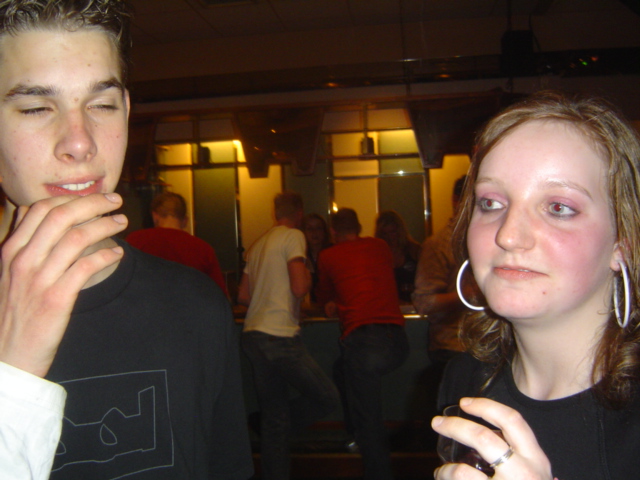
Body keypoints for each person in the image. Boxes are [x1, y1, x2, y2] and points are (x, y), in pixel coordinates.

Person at [0, 1, 253, 479]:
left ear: (128, 112)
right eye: (36, 107)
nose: (81, 142)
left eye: (101, 105)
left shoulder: (197, 306)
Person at [431, 91, 640, 480]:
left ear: (621, 244)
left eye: (558, 208)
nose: (509, 235)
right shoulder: (465, 382)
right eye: (491, 203)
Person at [238, 191, 339, 480]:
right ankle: (270, 425)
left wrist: (274, 300)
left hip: (253, 335)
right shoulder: (294, 236)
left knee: (275, 418)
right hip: (279, 335)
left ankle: (271, 429)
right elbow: (299, 287)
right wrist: (301, 283)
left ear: (275, 212)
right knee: (327, 398)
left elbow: (243, 295)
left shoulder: (258, 244)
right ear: (299, 214)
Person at [316, 208, 410, 480]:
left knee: (369, 421)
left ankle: (370, 458)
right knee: (341, 370)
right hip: (397, 341)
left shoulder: (328, 256)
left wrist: (333, 303)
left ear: (333, 232)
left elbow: (323, 297)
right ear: (359, 227)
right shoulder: (379, 247)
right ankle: (356, 435)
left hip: (365, 342)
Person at [126, 191, 228, 295]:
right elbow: (219, 294)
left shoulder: (135, 240)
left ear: (155, 216)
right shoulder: (203, 249)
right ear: (185, 220)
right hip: (189, 304)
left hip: (144, 303)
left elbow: (122, 279)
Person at [375, 210, 421, 303]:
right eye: (385, 234)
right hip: (387, 304)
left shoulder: (414, 250)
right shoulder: (376, 254)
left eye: (393, 232)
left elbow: (426, 280)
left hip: (413, 303)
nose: (390, 237)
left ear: (400, 231)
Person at [301, 212, 332, 302]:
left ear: (324, 231)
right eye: (309, 229)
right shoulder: (300, 255)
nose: (314, 232)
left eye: (318, 228)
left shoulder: (332, 252)